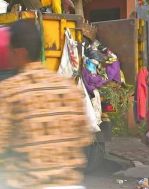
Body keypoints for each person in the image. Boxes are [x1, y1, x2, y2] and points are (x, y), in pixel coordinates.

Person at [0, 19, 92, 189]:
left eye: (10, 52)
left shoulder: (10, 91)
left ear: (20, 52)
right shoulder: (69, 88)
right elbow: (85, 137)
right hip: (71, 184)